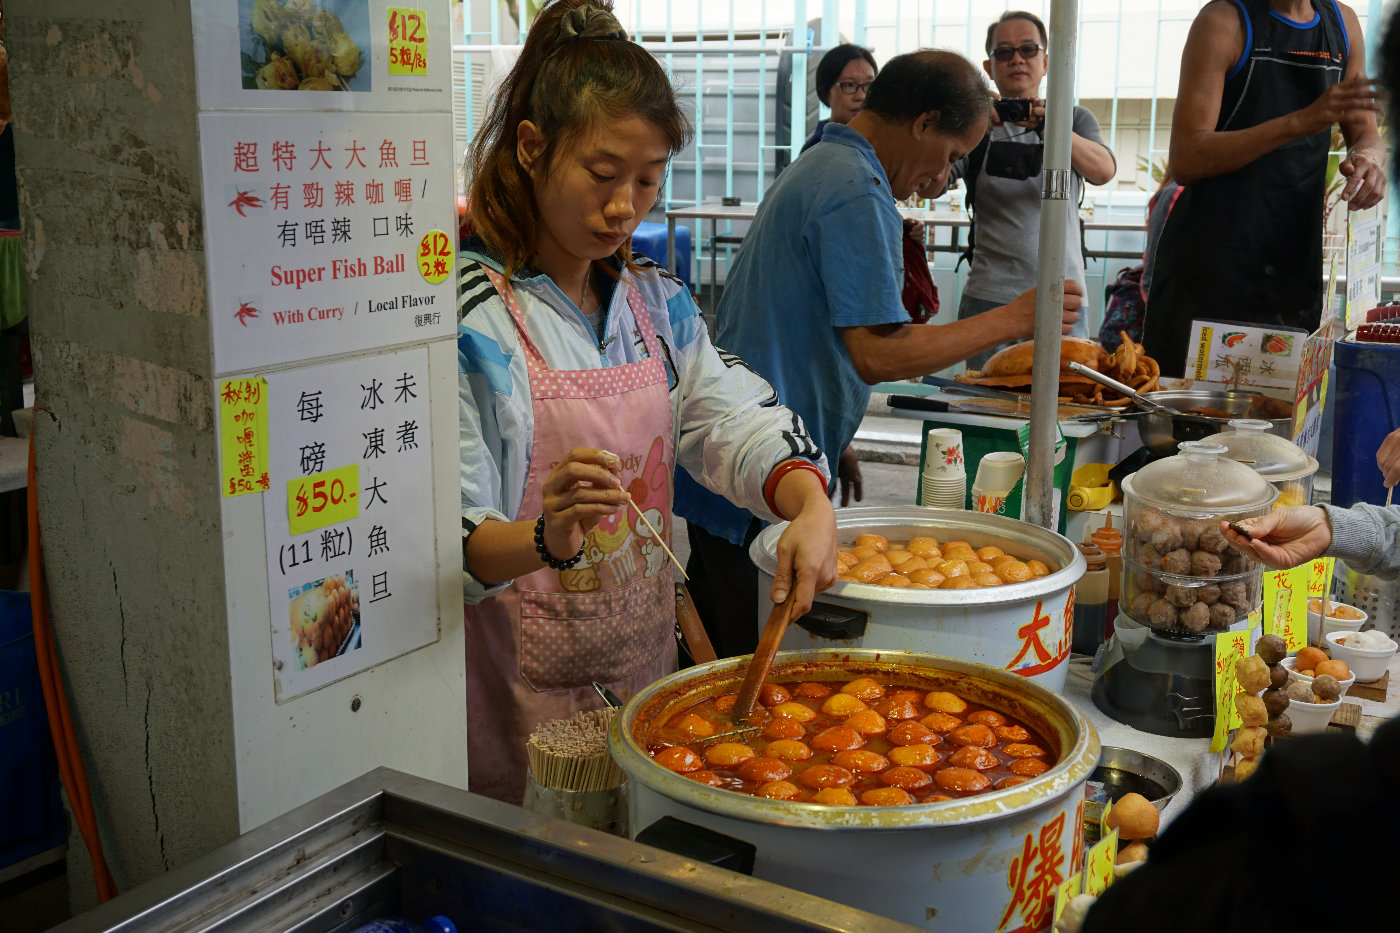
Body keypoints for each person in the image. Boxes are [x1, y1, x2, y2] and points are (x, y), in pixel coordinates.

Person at [458, 0, 837, 804]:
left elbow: (731, 420)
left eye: (649, 179)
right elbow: (455, 544)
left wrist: (807, 500)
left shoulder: (654, 308)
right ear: (530, 148)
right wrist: (546, 534)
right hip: (518, 701)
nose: (625, 205)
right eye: (602, 175)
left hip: (642, 679)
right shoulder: (473, 320)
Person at [674, 48, 1083, 659]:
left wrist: (832, 439)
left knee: (726, 649)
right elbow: (877, 354)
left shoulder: (824, 164)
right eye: (949, 157)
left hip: (755, 464)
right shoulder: (853, 188)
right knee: (745, 671)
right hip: (753, 479)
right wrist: (1016, 318)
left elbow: (801, 323)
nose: (942, 179)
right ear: (923, 122)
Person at [1141, 0, 1387, 377]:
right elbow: (1187, 158)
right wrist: (1299, 122)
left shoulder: (1343, 23)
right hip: (1210, 269)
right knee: (1190, 426)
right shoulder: (1223, 20)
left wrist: (1369, 159)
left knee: (1276, 425)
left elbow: (1366, 131)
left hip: (1292, 267)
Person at [953, 10, 1116, 370]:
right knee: (985, 408)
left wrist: (1052, 126)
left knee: (1065, 407)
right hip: (990, 300)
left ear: (1046, 62)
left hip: (1064, 299)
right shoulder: (976, 126)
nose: (1016, 59)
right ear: (989, 65)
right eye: (1004, 52)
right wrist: (973, 121)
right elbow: (932, 183)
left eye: (1028, 49)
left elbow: (1103, 170)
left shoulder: (1073, 119)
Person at [799, 43, 877, 154]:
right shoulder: (814, 151)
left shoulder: (882, 142)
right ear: (826, 92)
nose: (861, 96)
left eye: (868, 85)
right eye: (849, 85)